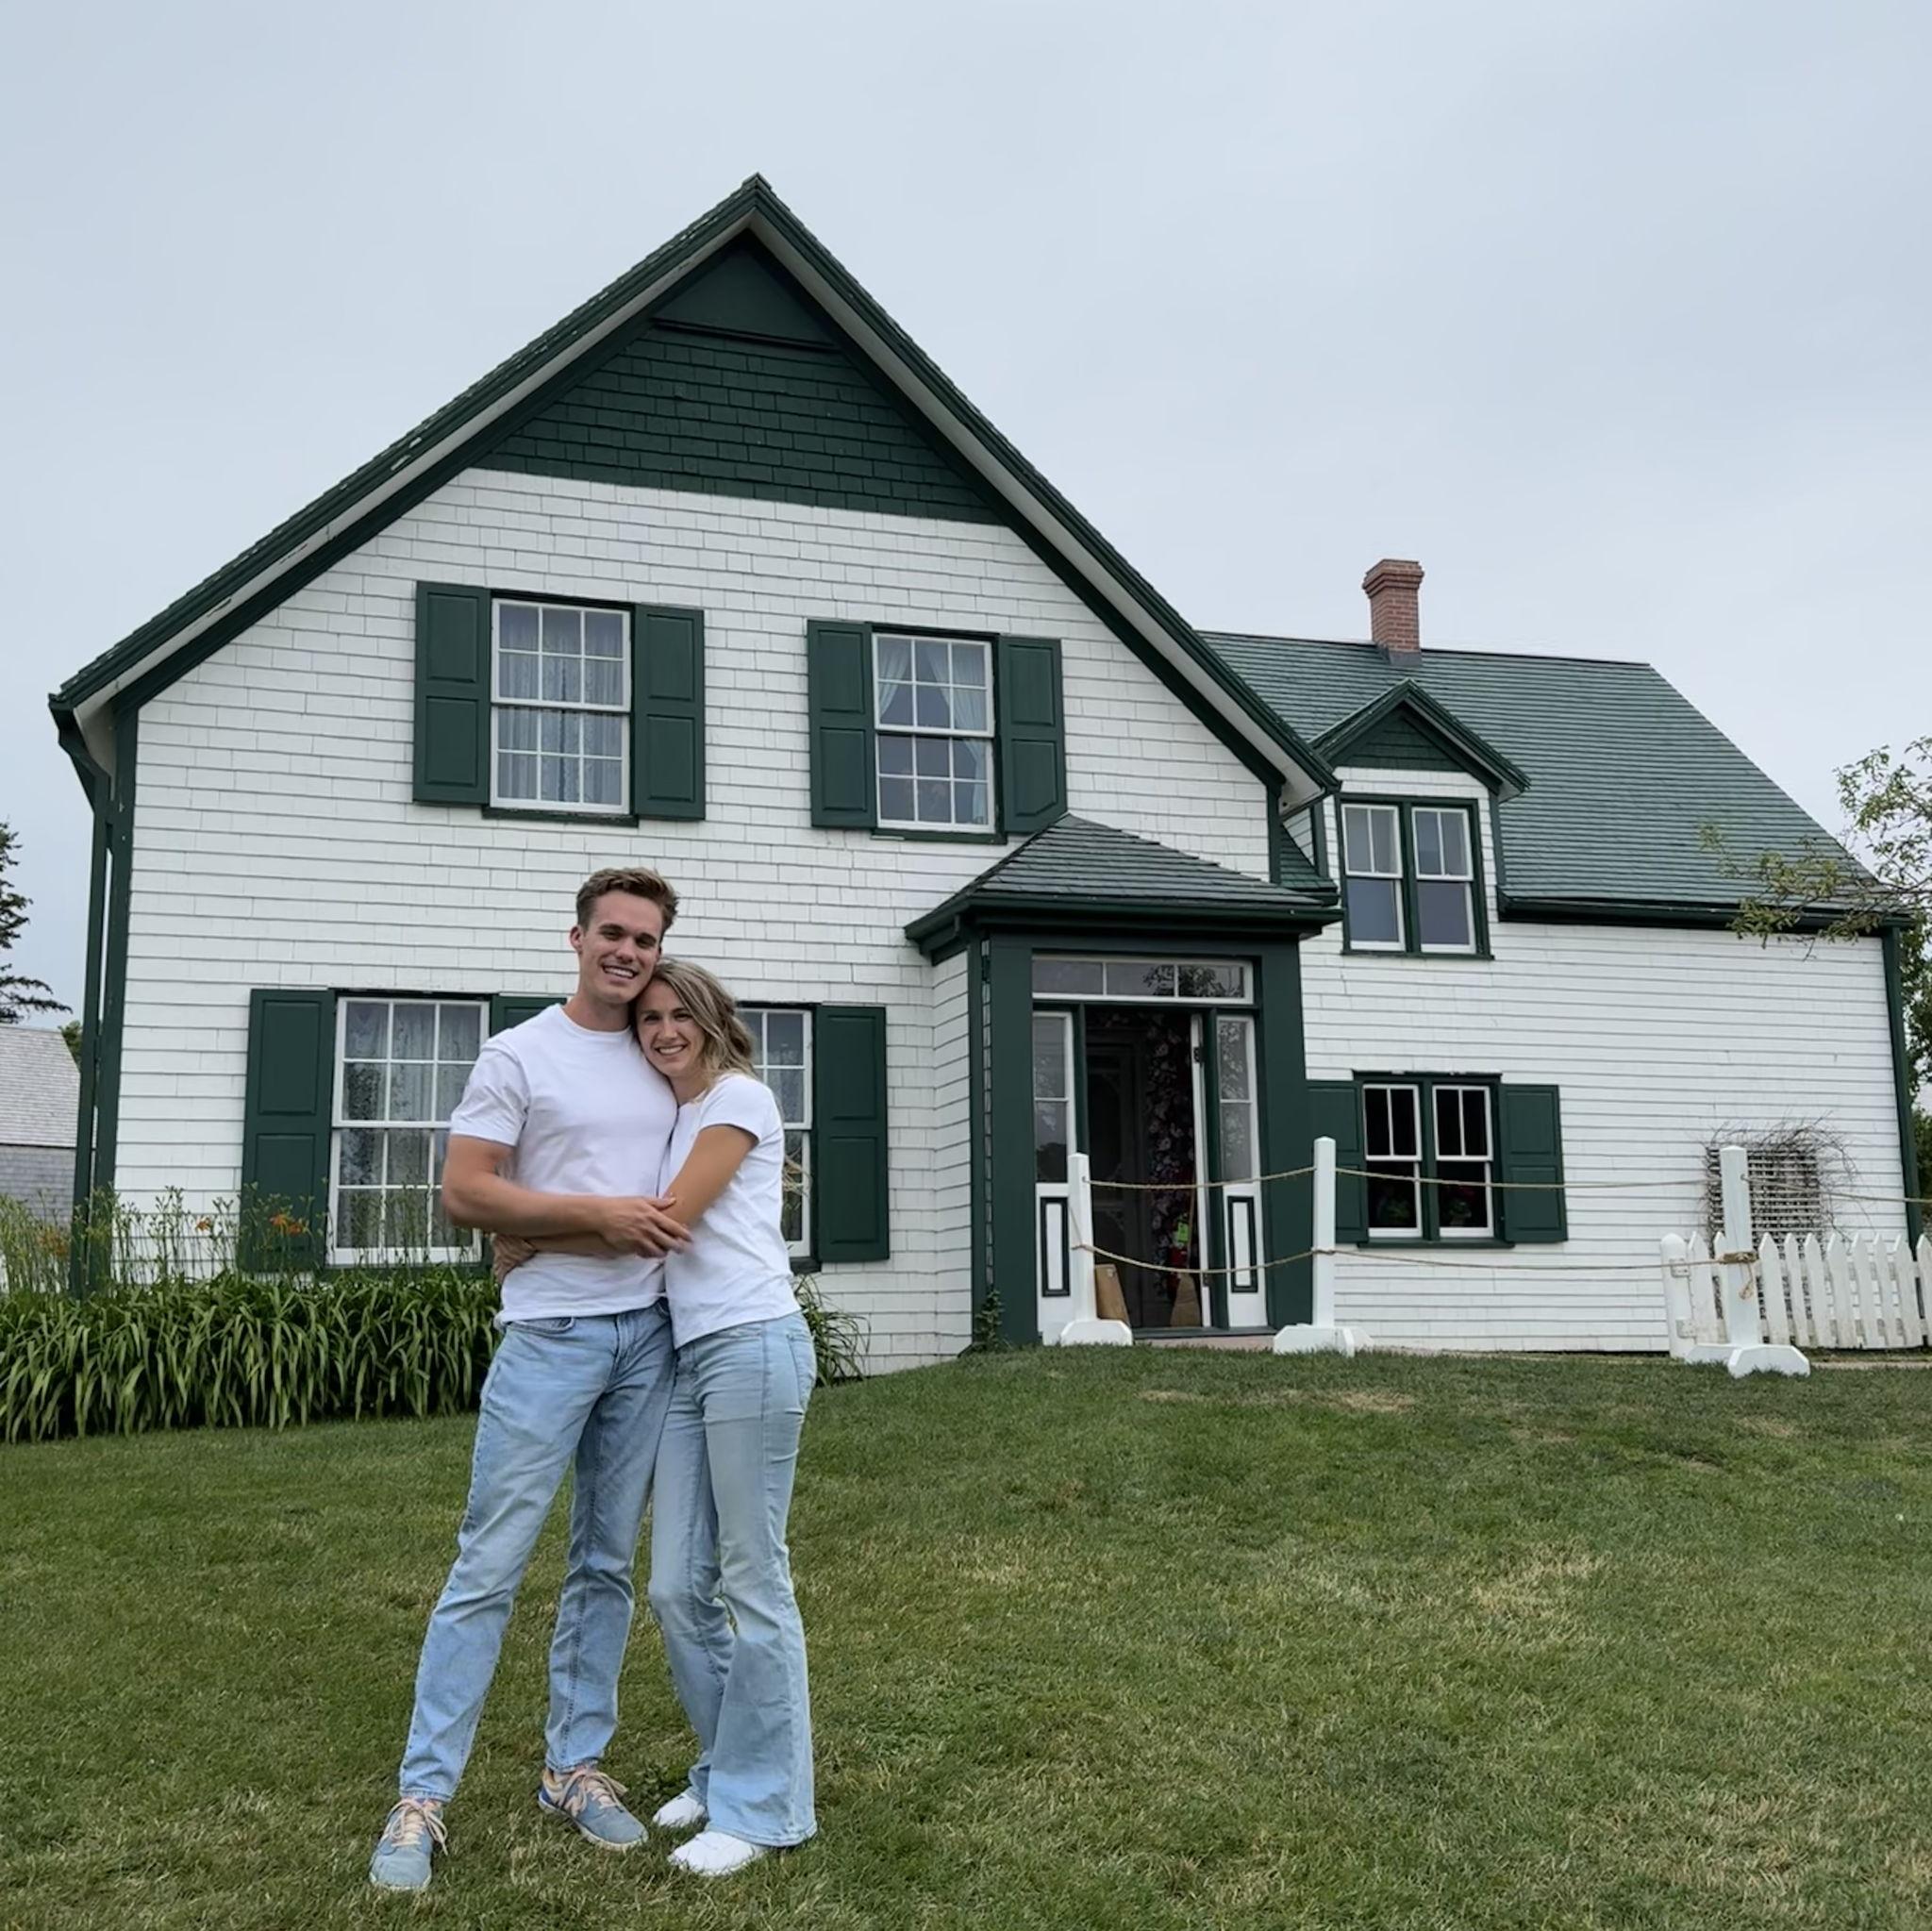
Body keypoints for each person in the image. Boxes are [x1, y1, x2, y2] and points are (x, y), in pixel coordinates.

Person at [368, 866, 690, 1895]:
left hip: (647, 1334)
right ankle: (422, 1796)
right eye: (612, 933)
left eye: (644, 939)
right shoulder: (519, 1052)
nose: (627, 952)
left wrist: (544, 1222)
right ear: (577, 937)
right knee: (489, 1565)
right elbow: (464, 1189)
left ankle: (573, 1767)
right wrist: (575, 1219)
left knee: (604, 1562)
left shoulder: (664, 1055)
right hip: (551, 1336)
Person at [499, 956, 819, 1878]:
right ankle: (726, 1770)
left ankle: (768, 1808)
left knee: (755, 1581)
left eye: (681, 1014)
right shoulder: (676, 1111)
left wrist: (527, 1232)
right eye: (648, 1020)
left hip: (752, 1343)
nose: (664, 1030)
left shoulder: (736, 1100)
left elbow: (668, 1219)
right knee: (678, 1586)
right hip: (689, 1351)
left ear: (713, 1018)